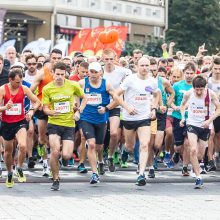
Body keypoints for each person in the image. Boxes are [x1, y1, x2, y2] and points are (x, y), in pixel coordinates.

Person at [78, 62, 133, 184]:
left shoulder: (106, 84)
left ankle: (101, 161)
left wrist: (107, 108)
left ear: (100, 73)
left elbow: (117, 99)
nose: (92, 74)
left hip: (101, 120)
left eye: (95, 72)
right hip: (86, 118)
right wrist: (77, 110)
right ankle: (94, 173)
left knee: (99, 147)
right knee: (91, 145)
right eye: (90, 71)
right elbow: (73, 97)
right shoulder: (82, 83)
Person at [42, 62, 87, 191]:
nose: (60, 77)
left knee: (67, 155)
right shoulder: (48, 88)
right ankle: (55, 179)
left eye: (62, 74)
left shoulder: (73, 85)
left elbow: (85, 98)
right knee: (55, 152)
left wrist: (79, 111)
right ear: (53, 73)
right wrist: (50, 112)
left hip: (69, 124)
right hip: (54, 123)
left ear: (66, 74)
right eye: (57, 74)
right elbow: (45, 108)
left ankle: (63, 160)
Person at [116, 57, 159, 186]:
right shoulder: (130, 80)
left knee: (145, 145)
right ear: (137, 66)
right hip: (129, 118)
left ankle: (141, 174)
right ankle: (124, 151)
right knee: (130, 146)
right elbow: (116, 95)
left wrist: (154, 109)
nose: (145, 68)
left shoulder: (153, 81)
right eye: (142, 65)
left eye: (147, 65)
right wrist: (127, 107)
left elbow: (156, 94)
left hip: (144, 117)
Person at [0, 68, 41, 188]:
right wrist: (5, 107)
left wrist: (31, 112)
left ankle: (19, 167)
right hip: (7, 123)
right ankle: (9, 172)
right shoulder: (3, 89)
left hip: (20, 122)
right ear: (10, 80)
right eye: (17, 82)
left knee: (22, 146)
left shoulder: (24, 88)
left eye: (21, 81)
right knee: (8, 152)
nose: (19, 84)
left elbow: (37, 102)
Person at [180, 75, 220, 188]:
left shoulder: (211, 94)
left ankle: (196, 165)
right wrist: (183, 118)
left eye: (201, 89)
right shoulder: (188, 94)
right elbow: (182, 106)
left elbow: (219, 109)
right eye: (196, 89)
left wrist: (210, 120)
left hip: (205, 126)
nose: (198, 91)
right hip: (192, 124)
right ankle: (198, 177)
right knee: (192, 150)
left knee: (199, 155)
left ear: (205, 87)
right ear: (193, 88)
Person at [31, 49, 62, 176]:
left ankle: (54, 164)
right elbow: (29, 90)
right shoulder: (43, 72)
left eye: (58, 58)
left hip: (58, 109)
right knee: (42, 137)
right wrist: (37, 103)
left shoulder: (63, 73)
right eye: (54, 58)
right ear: (50, 58)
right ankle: (45, 164)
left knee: (56, 138)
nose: (56, 60)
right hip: (43, 109)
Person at [102, 48, 131, 172]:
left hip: (115, 106)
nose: (109, 62)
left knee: (114, 133)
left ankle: (110, 155)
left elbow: (130, 75)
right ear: (103, 59)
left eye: (111, 59)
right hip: (101, 107)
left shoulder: (123, 71)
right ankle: (100, 159)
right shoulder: (98, 72)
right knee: (101, 135)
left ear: (115, 59)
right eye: (106, 59)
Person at [171, 62, 196, 176]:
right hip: (178, 117)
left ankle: (185, 167)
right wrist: (174, 106)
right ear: (184, 73)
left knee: (187, 143)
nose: (189, 75)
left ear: (194, 73)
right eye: (187, 73)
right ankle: (176, 153)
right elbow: (170, 101)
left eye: (191, 73)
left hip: (191, 119)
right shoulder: (177, 85)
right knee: (179, 146)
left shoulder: (197, 86)